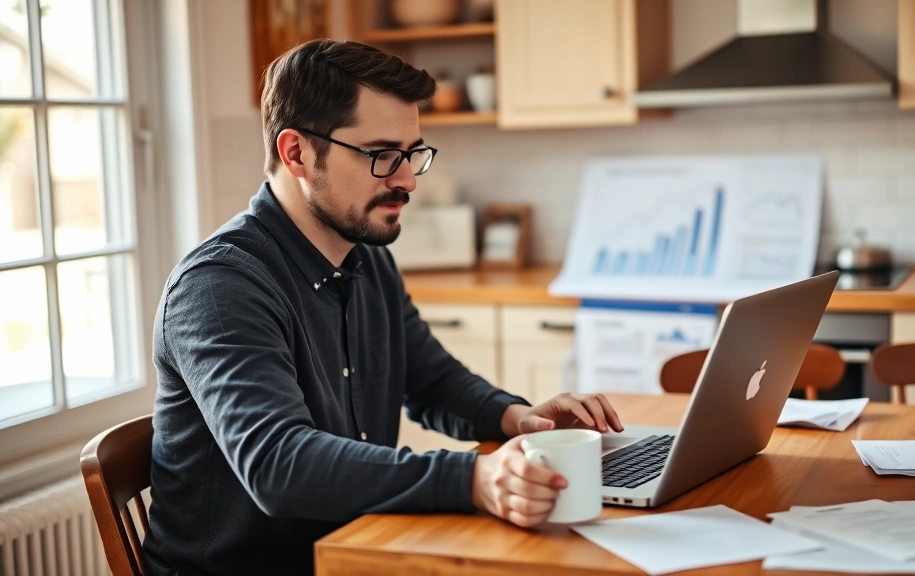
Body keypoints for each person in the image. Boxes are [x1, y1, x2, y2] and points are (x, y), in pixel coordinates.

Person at [143, 39, 623, 576]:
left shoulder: (366, 258)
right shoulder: (219, 286)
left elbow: (431, 380)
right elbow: (279, 465)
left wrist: (520, 419)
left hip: (358, 548)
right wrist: (474, 479)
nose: (407, 180)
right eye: (381, 156)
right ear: (296, 152)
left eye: (412, 152)